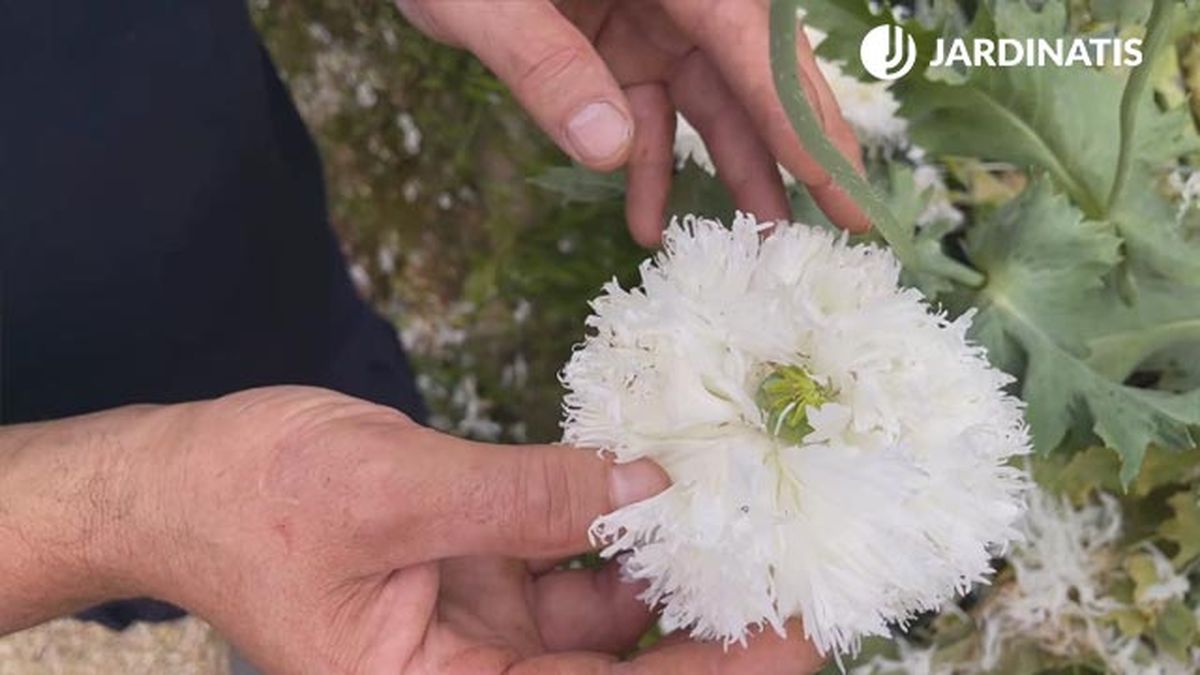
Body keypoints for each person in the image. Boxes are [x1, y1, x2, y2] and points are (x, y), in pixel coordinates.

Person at [0, 0, 865, 672]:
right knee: (219, 520)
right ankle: (221, 586)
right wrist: (120, 514)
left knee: (320, 404)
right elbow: (139, 504)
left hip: (179, 157)